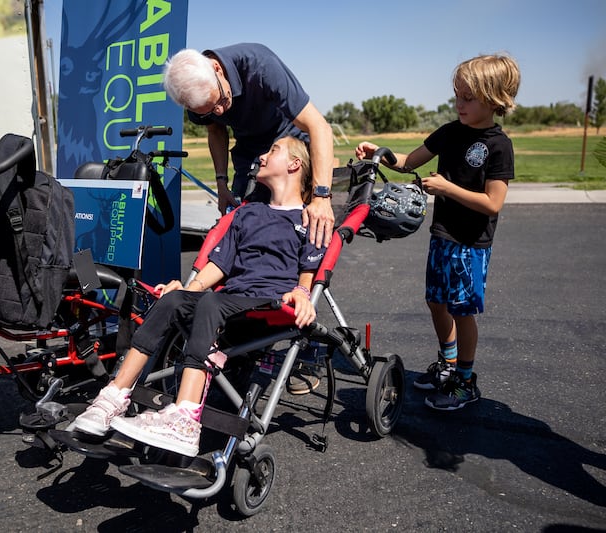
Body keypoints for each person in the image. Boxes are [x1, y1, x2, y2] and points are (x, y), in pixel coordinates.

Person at [67, 136, 323, 456]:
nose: (261, 154)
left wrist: (302, 292)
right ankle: (113, 397)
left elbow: (311, 267)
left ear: (294, 164)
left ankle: (185, 419)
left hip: (271, 305)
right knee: (173, 299)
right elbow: (220, 263)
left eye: (273, 150)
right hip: (231, 300)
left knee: (212, 302)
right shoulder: (246, 214)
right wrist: (188, 289)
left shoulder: (311, 217)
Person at [355, 54, 521, 411]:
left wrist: (446, 188)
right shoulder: (449, 132)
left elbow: (493, 203)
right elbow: (409, 162)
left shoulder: (498, 145)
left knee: (463, 310)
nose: (459, 104)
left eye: (468, 97)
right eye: (457, 95)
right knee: (436, 301)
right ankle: (447, 365)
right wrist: (379, 152)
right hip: (444, 234)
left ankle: (465, 380)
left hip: (471, 242)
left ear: (493, 99)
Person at [162, 44, 335, 248]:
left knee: (300, 224)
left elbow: (319, 127)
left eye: (221, 100)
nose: (218, 112)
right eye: (209, 111)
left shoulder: (261, 66)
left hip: (288, 142)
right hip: (248, 152)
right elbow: (215, 131)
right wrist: (221, 183)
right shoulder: (195, 95)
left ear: (217, 69)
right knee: (242, 226)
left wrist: (321, 196)